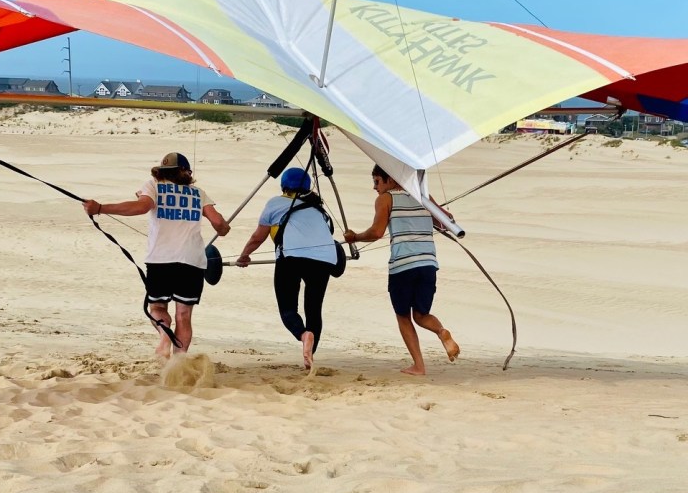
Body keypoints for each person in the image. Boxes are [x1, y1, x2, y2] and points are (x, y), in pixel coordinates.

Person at [83, 152, 230, 357]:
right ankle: (179, 363)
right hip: (192, 261)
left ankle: (164, 335)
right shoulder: (198, 193)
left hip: (161, 260)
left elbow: (141, 207)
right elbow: (219, 224)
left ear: (161, 171)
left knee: (158, 307)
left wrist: (100, 208)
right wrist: (223, 229)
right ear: (186, 172)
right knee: (183, 315)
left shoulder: (153, 186)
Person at [343, 165, 459, 376]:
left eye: (377, 181)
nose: (374, 187)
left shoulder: (386, 198)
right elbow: (446, 221)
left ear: (391, 179)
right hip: (428, 264)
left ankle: (419, 366)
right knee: (422, 315)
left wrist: (355, 237)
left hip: (403, 266)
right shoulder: (423, 196)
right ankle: (441, 332)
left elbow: (377, 232)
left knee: (403, 316)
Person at [237, 168, 337, 370]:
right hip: (325, 259)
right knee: (314, 310)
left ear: (283, 186)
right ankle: (310, 356)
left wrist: (244, 255)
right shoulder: (319, 209)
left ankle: (303, 335)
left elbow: (258, 237)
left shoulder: (276, 203)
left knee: (288, 308)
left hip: (292, 257)